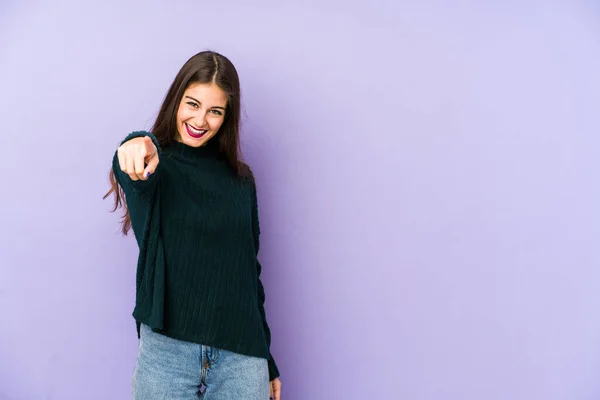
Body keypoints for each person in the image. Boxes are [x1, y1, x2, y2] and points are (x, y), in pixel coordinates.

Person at [104, 50, 282, 400]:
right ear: (176, 101)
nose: (201, 120)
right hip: (167, 353)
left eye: (215, 111)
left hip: (242, 357)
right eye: (192, 104)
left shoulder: (241, 181)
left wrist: (268, 360)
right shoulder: (156, 165)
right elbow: (134, 171)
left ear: (226, 117)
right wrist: (136, 142)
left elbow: (248, 273)